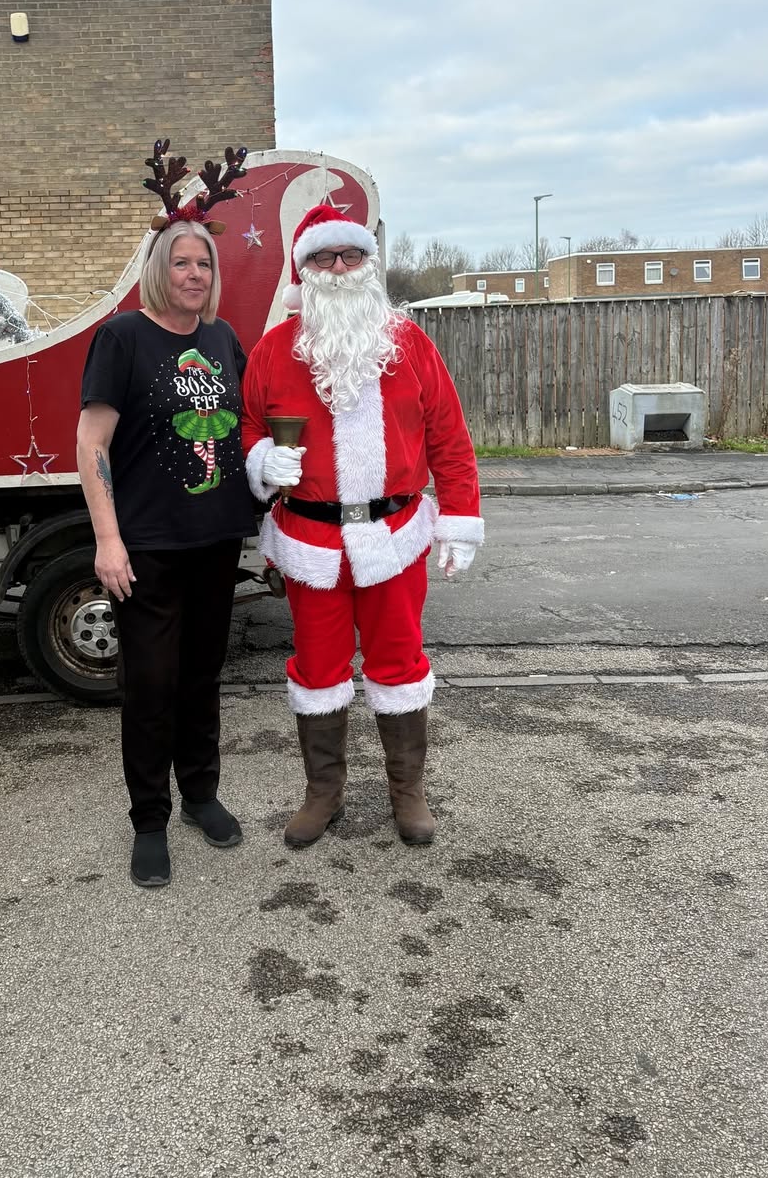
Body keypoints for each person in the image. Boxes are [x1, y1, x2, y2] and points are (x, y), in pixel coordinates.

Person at [241, 204, 483, 849]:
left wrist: (458, 519)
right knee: (317, 670)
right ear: (304, 271)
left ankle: (407, 791)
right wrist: (263, 460)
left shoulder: (410, 344)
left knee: (399, 663)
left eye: (351, 256)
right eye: (324, 258)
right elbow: (249, 427)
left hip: (395, 536)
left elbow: (450, 440)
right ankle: (324, 793)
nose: (339, 269)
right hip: (311, 540)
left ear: (369, 264)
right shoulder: (272, 349)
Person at [77, 144, 254, 888]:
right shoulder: (122, 337)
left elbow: (242, 435)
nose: (194, 275)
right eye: (182, 262)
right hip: (146, 545)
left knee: (202, 677)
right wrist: (108, 539)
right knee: (149, 685)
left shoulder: (221, 340)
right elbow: (91, 442)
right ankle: (149, 820)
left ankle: (201, 795)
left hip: (215, 539)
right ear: (159, 268)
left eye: (205, 265)